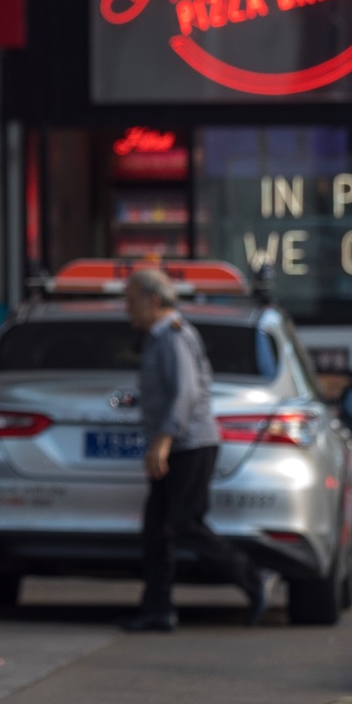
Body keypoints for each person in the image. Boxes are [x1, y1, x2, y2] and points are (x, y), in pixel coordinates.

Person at [120, 268, 267, 632]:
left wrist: (163, 440)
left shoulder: (173, 337)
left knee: (185, 524)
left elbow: (185, 393)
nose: (127, 310)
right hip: (175, 445)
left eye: (131, 301)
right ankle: (157, 610)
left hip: (189, 445)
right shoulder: (157, 338)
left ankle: (251, 579)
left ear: (153, 301)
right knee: (156, 531)